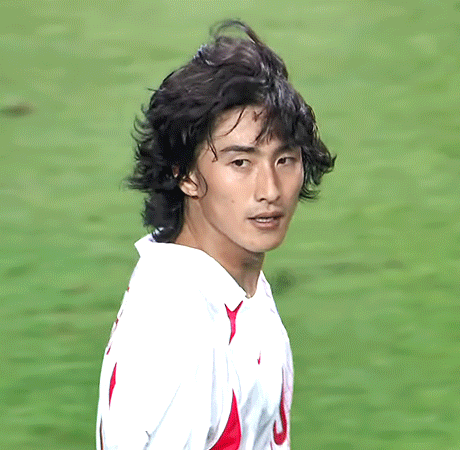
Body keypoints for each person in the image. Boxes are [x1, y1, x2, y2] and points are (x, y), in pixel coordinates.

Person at [96, 19, 335, 450]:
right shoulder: (176, 334)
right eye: (240, 163)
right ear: (185, 174)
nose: (270, 190)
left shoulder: (235, 290)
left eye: (285, 159)